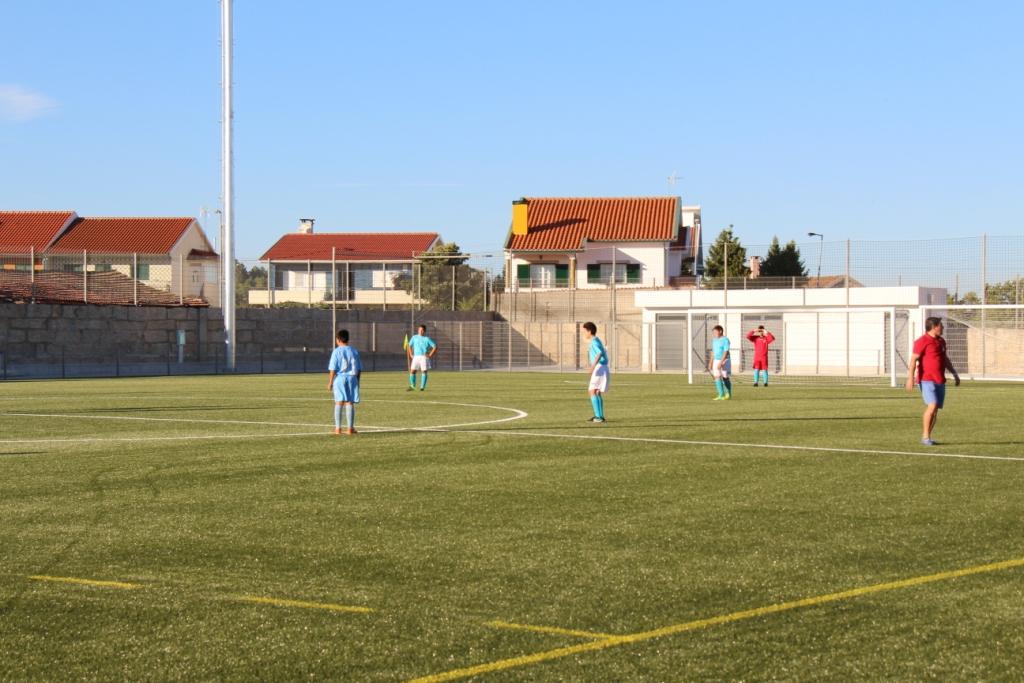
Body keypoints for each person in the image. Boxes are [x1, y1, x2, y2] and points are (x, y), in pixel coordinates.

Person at [906, 316, 960, 446]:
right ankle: (925, 437)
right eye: (941, 325)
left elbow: (945, 359)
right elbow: (913, 360)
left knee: (935, 410)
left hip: (940, 380)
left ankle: (927, 437)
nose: (943, 327)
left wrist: (954, 373)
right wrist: (910, 379)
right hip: (926, 379)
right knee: (932, 405)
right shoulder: (922, 341)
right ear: (934, 327)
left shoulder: (941, 341)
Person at [328, 328, 362, 435]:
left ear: (338, 340)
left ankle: (338, 429)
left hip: (340, 378)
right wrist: (358, 381)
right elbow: (359, 368)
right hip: (352, 378)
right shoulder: (354, 351)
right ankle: (350, 429)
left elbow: (333, 368)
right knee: (349, 402)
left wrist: (330, 382)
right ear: (348, 339)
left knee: (339, 402)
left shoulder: (336, 351)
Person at [582, 321, 609, 423]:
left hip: (599, 367)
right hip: (602, 367)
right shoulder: (597, 340)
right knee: (597, 391)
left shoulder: (594, 341)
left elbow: (599, 353)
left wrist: (592, 367)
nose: (584, 334)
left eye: (584, 331)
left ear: (589, 331)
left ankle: (598, 417)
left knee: (592, 391)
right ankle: (600, 416)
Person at [407, 324, 438, 391]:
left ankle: (422, 387)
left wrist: (430, 355)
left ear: (424, 331)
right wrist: (410, 354)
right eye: (419, 330)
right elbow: (409, 345)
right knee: (412, 371)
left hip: (424, 357)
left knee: (424, 371)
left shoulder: (427, 339)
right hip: (416, 357)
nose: (420, 331)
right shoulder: (414, 337)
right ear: (418, 330)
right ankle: (413, 386)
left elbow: (435, 346)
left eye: (422, 330)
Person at [709, 325, 732, 400]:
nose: (714, 334)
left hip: (725, 360)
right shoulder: (714, 340)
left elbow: (726, 352)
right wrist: (710, 362)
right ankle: (721, 395)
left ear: (720, 331)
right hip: (716, 360)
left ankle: (728, 393)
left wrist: (721, 362)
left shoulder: (725, 340)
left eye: (715, 332)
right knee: (717, 377)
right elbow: (713, 351)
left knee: (725, 377)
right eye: (713, 332)